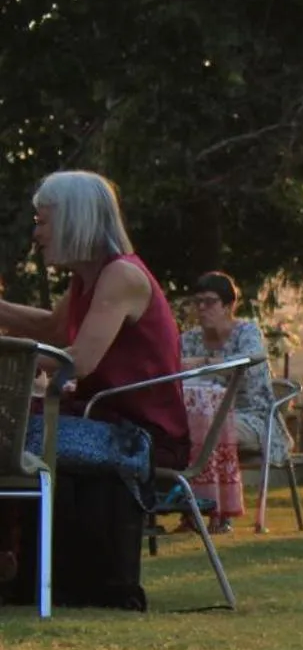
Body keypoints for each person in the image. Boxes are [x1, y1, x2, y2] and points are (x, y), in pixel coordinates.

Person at [0, 171, 189, 610]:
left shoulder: (120, 276)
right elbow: (49, 327)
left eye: (43, 221)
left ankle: (13, 563)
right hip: (98, 418)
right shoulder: (88, 276)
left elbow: (77, 360)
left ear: (72, 220)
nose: (37, 232)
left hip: (138, 434)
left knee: (12, 440)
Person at [180, 271, 284, 533]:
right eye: (198, 302)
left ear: (228, 305)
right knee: (178, 432)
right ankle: (188, 511)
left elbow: (246, 362)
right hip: (198, 416)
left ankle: (219, 513)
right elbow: (172, 368)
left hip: (252, 416)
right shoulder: (189, 339)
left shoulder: (247, 332)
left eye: (210, 302)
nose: (202, 308)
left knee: (210, 432)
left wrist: (202, 364)